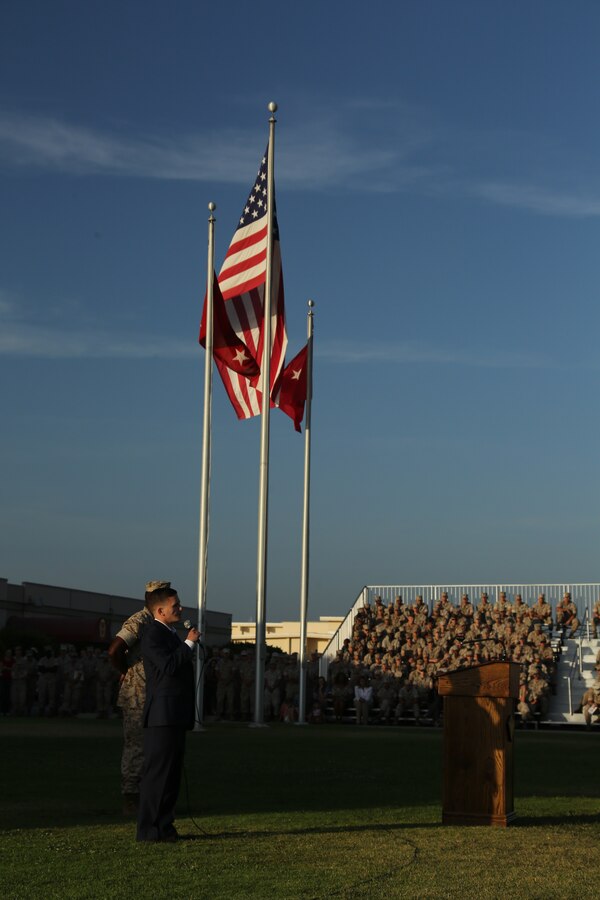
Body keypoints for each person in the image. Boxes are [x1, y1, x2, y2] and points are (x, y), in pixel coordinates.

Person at [136, 584, 199, 843]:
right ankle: (149, 830)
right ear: (160, 610)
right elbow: (168, 666)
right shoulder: (152, 634)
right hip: (162, 715)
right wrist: (189, 644)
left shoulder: (170, 633)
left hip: (175, 713)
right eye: (175, 606)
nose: (180, 608)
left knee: (171, 774)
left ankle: (165, 826)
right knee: (157, 775)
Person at [108, 581, 158, 815]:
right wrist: (124, 671)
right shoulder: (140, 620)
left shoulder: (155, 621)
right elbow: (114, 649)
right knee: (136, 746)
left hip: (150, 693)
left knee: (148, 746)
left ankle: (144, 793)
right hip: (136, 694)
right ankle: (130, 796)